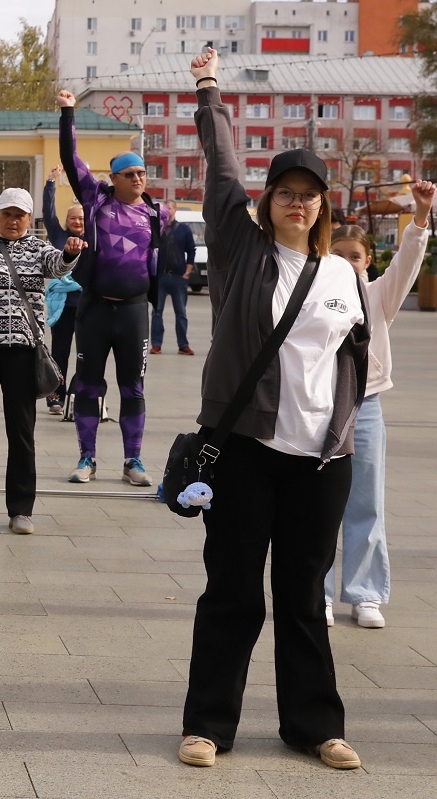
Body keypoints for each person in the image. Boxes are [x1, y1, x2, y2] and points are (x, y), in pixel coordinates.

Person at [178, 47, 369, 772]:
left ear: (324, 203)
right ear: (267, 202)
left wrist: (346, 432)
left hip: (321, 462)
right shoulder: (242, 251)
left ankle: (315, 724)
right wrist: (208, 91)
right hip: (248, 450)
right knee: (231, 590)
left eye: (309, 192)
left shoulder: (343, 276)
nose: (297, 201)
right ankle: (207, 724)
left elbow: (355, 363)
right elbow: (222, 165)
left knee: (302, 594)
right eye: (285, 191)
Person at [324, 186, 433, 629]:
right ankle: (319, 593)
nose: (349, 262)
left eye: (356, 255)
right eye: (340, 254)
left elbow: (407, 266)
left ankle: (366, 595)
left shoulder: (379, 297)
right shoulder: (311, 294)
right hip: (319, 409)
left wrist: (421, 218)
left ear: (368, 261)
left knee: (365, 500)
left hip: (365, 408)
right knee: (319, 504)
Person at [0, 188, 85, 535]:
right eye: (7, 214)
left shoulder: (39, 248)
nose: (13, 221)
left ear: (29, 219)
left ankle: (21, 509)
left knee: (21, 431)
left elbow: (58, 265)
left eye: (19, 216)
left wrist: (71, 252)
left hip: (24, 352)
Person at [57, 90, 169, 487]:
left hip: (136, 312)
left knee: (133, 386)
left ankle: (133, 460)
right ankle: (86, 456)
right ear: (114, 178)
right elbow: (71, 159)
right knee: (89, 384)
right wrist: (68, 111)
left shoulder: (158, 213)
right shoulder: (96, 200)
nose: (139, 179)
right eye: (130, 174)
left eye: (142, 173)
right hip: (95, 309)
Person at [41, 164, 86, 416]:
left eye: (81, 218)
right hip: (63, 308)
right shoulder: (59, 236)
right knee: (59, 354)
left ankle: (79, 397)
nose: (77, 221)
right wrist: (51, 183)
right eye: (73, 218)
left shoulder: (93, 237)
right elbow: (48, 213)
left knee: (86, 356)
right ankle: (55, 398)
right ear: (67, 221)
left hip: (88, 307)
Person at [150, 200, 196, 356]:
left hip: (178, 277)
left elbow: (191, 251)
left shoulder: (184, 229)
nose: (167, 211)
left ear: (175, 210)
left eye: (169, 208)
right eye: (164, 208)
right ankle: (156, 344)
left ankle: (183, 344)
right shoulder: (157, 228)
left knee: (181, 312)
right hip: (160, 277)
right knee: (157, 312)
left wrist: (187, 272)